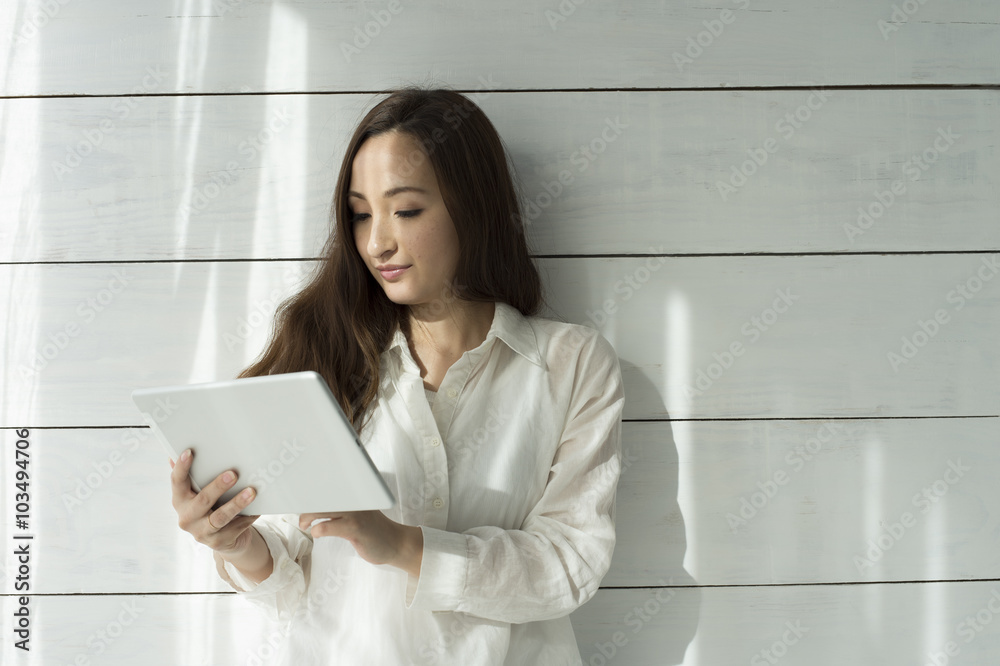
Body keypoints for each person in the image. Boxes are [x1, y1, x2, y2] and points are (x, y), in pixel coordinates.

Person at [168, 85, 625, 664]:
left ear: (473, 206)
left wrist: (401, 544)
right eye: (360, 215)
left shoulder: (572, 364)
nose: (377, 242)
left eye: (405, 210)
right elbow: (287, 577)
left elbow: (569, 564)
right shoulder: (321, 352)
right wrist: (236, 543)